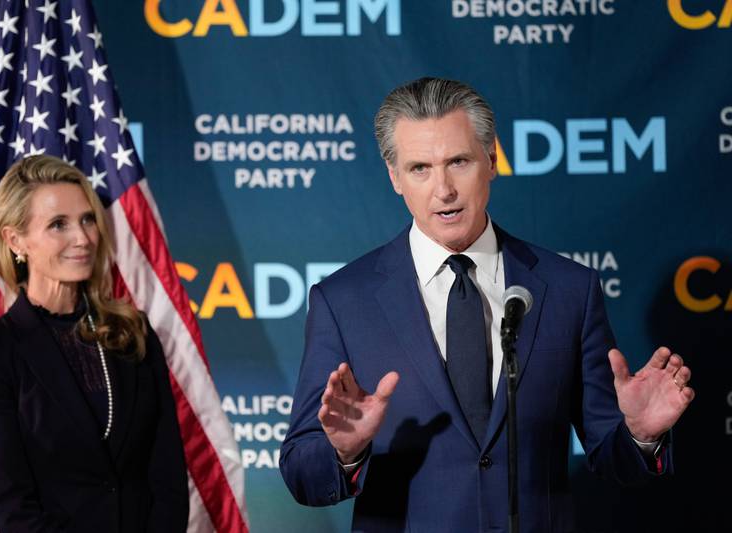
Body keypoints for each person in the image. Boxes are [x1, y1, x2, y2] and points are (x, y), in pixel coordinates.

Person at [279, 77, 694, 532]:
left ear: (491, 160)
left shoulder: (569, 289)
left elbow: (612, 458)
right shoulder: (342, 301)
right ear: (395, 177)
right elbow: (303, 473)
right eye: (420, 168)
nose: (444, 189)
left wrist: (641, 435)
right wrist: (345, 451)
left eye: (458, 161)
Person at [0, 155, 189, 532]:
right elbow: (12, 507)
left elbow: (167, 480)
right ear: (16, 240)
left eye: (87, 219)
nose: (82, 238)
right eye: (58, 224)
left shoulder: (134, 333)